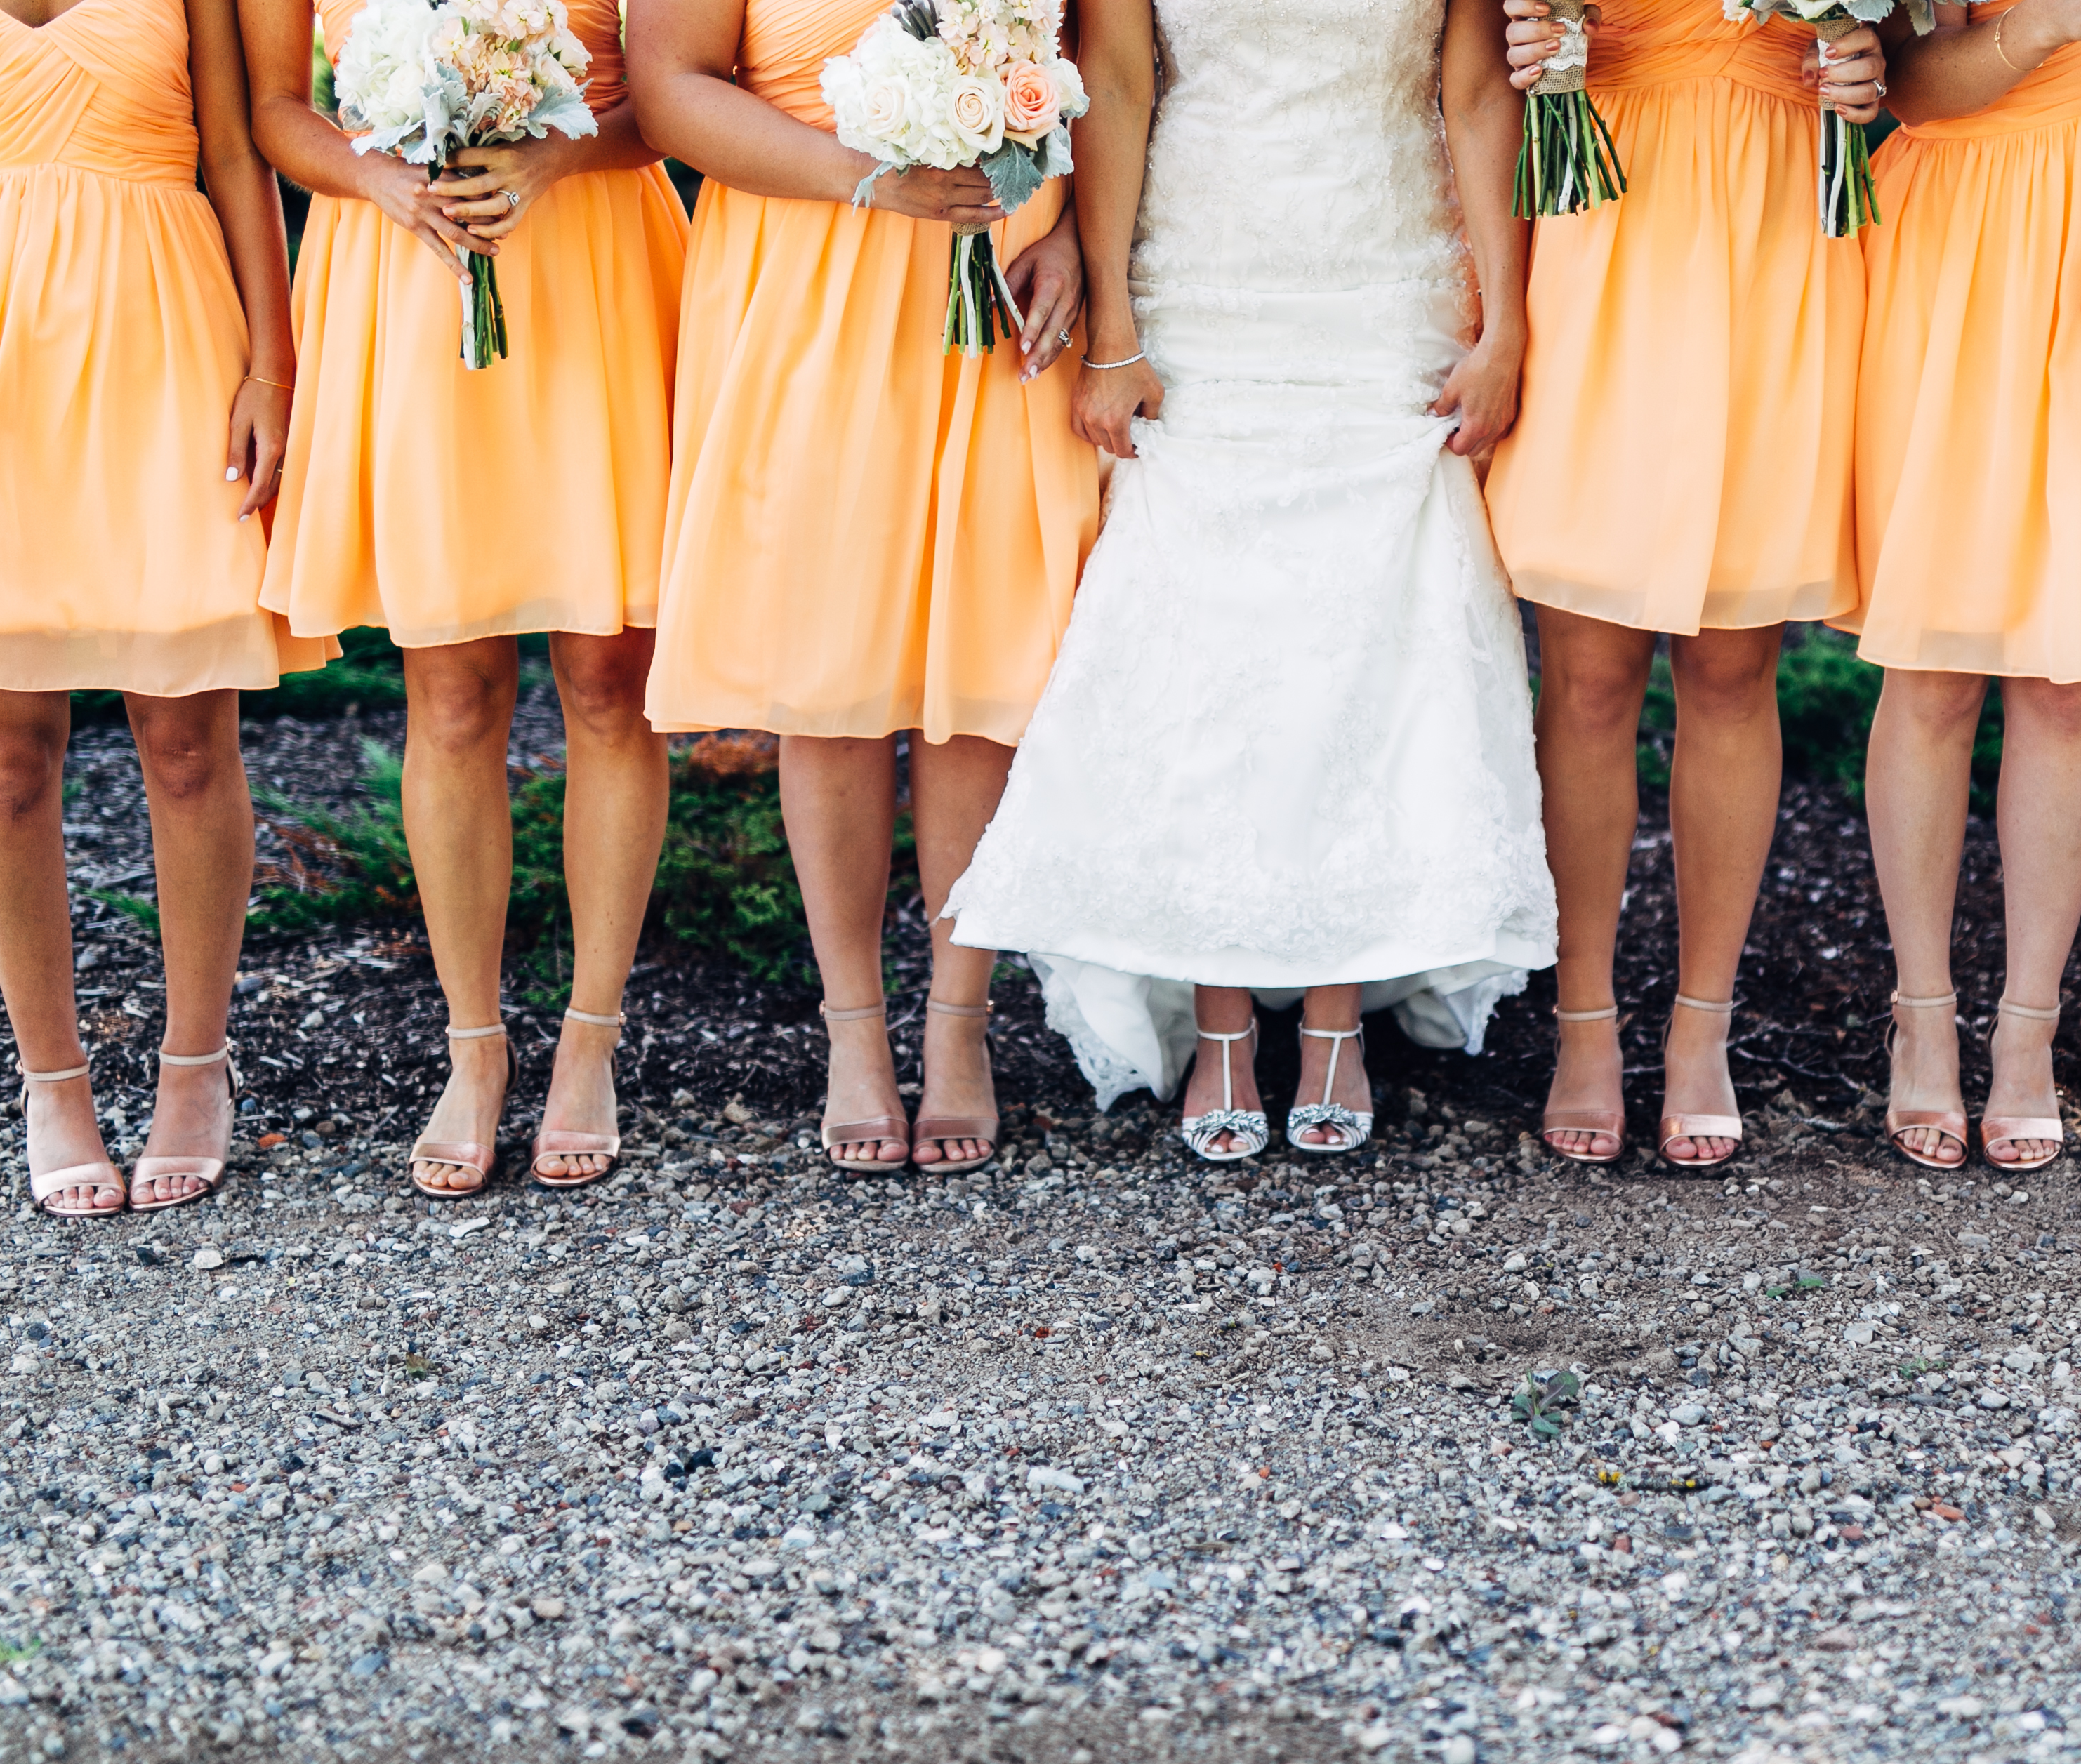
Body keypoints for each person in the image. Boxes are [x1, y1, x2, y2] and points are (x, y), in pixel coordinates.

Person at [942, 0, 1552, 1162]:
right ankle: (1220, 1013)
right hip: (1204, 276)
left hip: (1388, 276)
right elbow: (1117, 83)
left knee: (1366, 626)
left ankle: (1334, 1017)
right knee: (1207, 626)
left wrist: (1506, 325)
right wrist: (1114, 323)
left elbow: (1475, 93)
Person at [630, 0, 1096, 1176]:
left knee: (982, 653)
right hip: (809, 279)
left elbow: (1115, 59)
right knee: (827, 667)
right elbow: (672, 89)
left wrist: (1081, 230)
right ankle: (853, 1032)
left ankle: (957, 1024)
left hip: (1001, 268)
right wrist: (864, 181)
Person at [247, 0, 687, 1198]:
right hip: (405, 270)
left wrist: (563, 147)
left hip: (591, 255)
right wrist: (371, 174)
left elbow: (678, 92)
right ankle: (475, 1048)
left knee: (610, 679)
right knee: (450, 692)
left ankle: (590, 1042)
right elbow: (279, 110)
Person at [1484, 0, 1875, 1168]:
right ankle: (1585, 1021)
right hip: (1606, 213)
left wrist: (1871, 59)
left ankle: (1703, 1028)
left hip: (1775, 213)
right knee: (1591, 674)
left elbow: (1917, 48)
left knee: (1732, 664)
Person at [1841, 0, 2081, 1172]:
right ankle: (1922, 1019)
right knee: (1936, 667)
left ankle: (2027, 1036)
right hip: (1964, 248)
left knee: (2071, 681)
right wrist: (2051, 22)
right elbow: (1909, 85)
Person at [0, 0, 319, 1216]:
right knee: (5, 759)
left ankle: (195, 1067)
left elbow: (235, 156)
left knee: (187, 740)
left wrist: (269, 370)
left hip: (164, 336)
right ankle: (50, 1083)